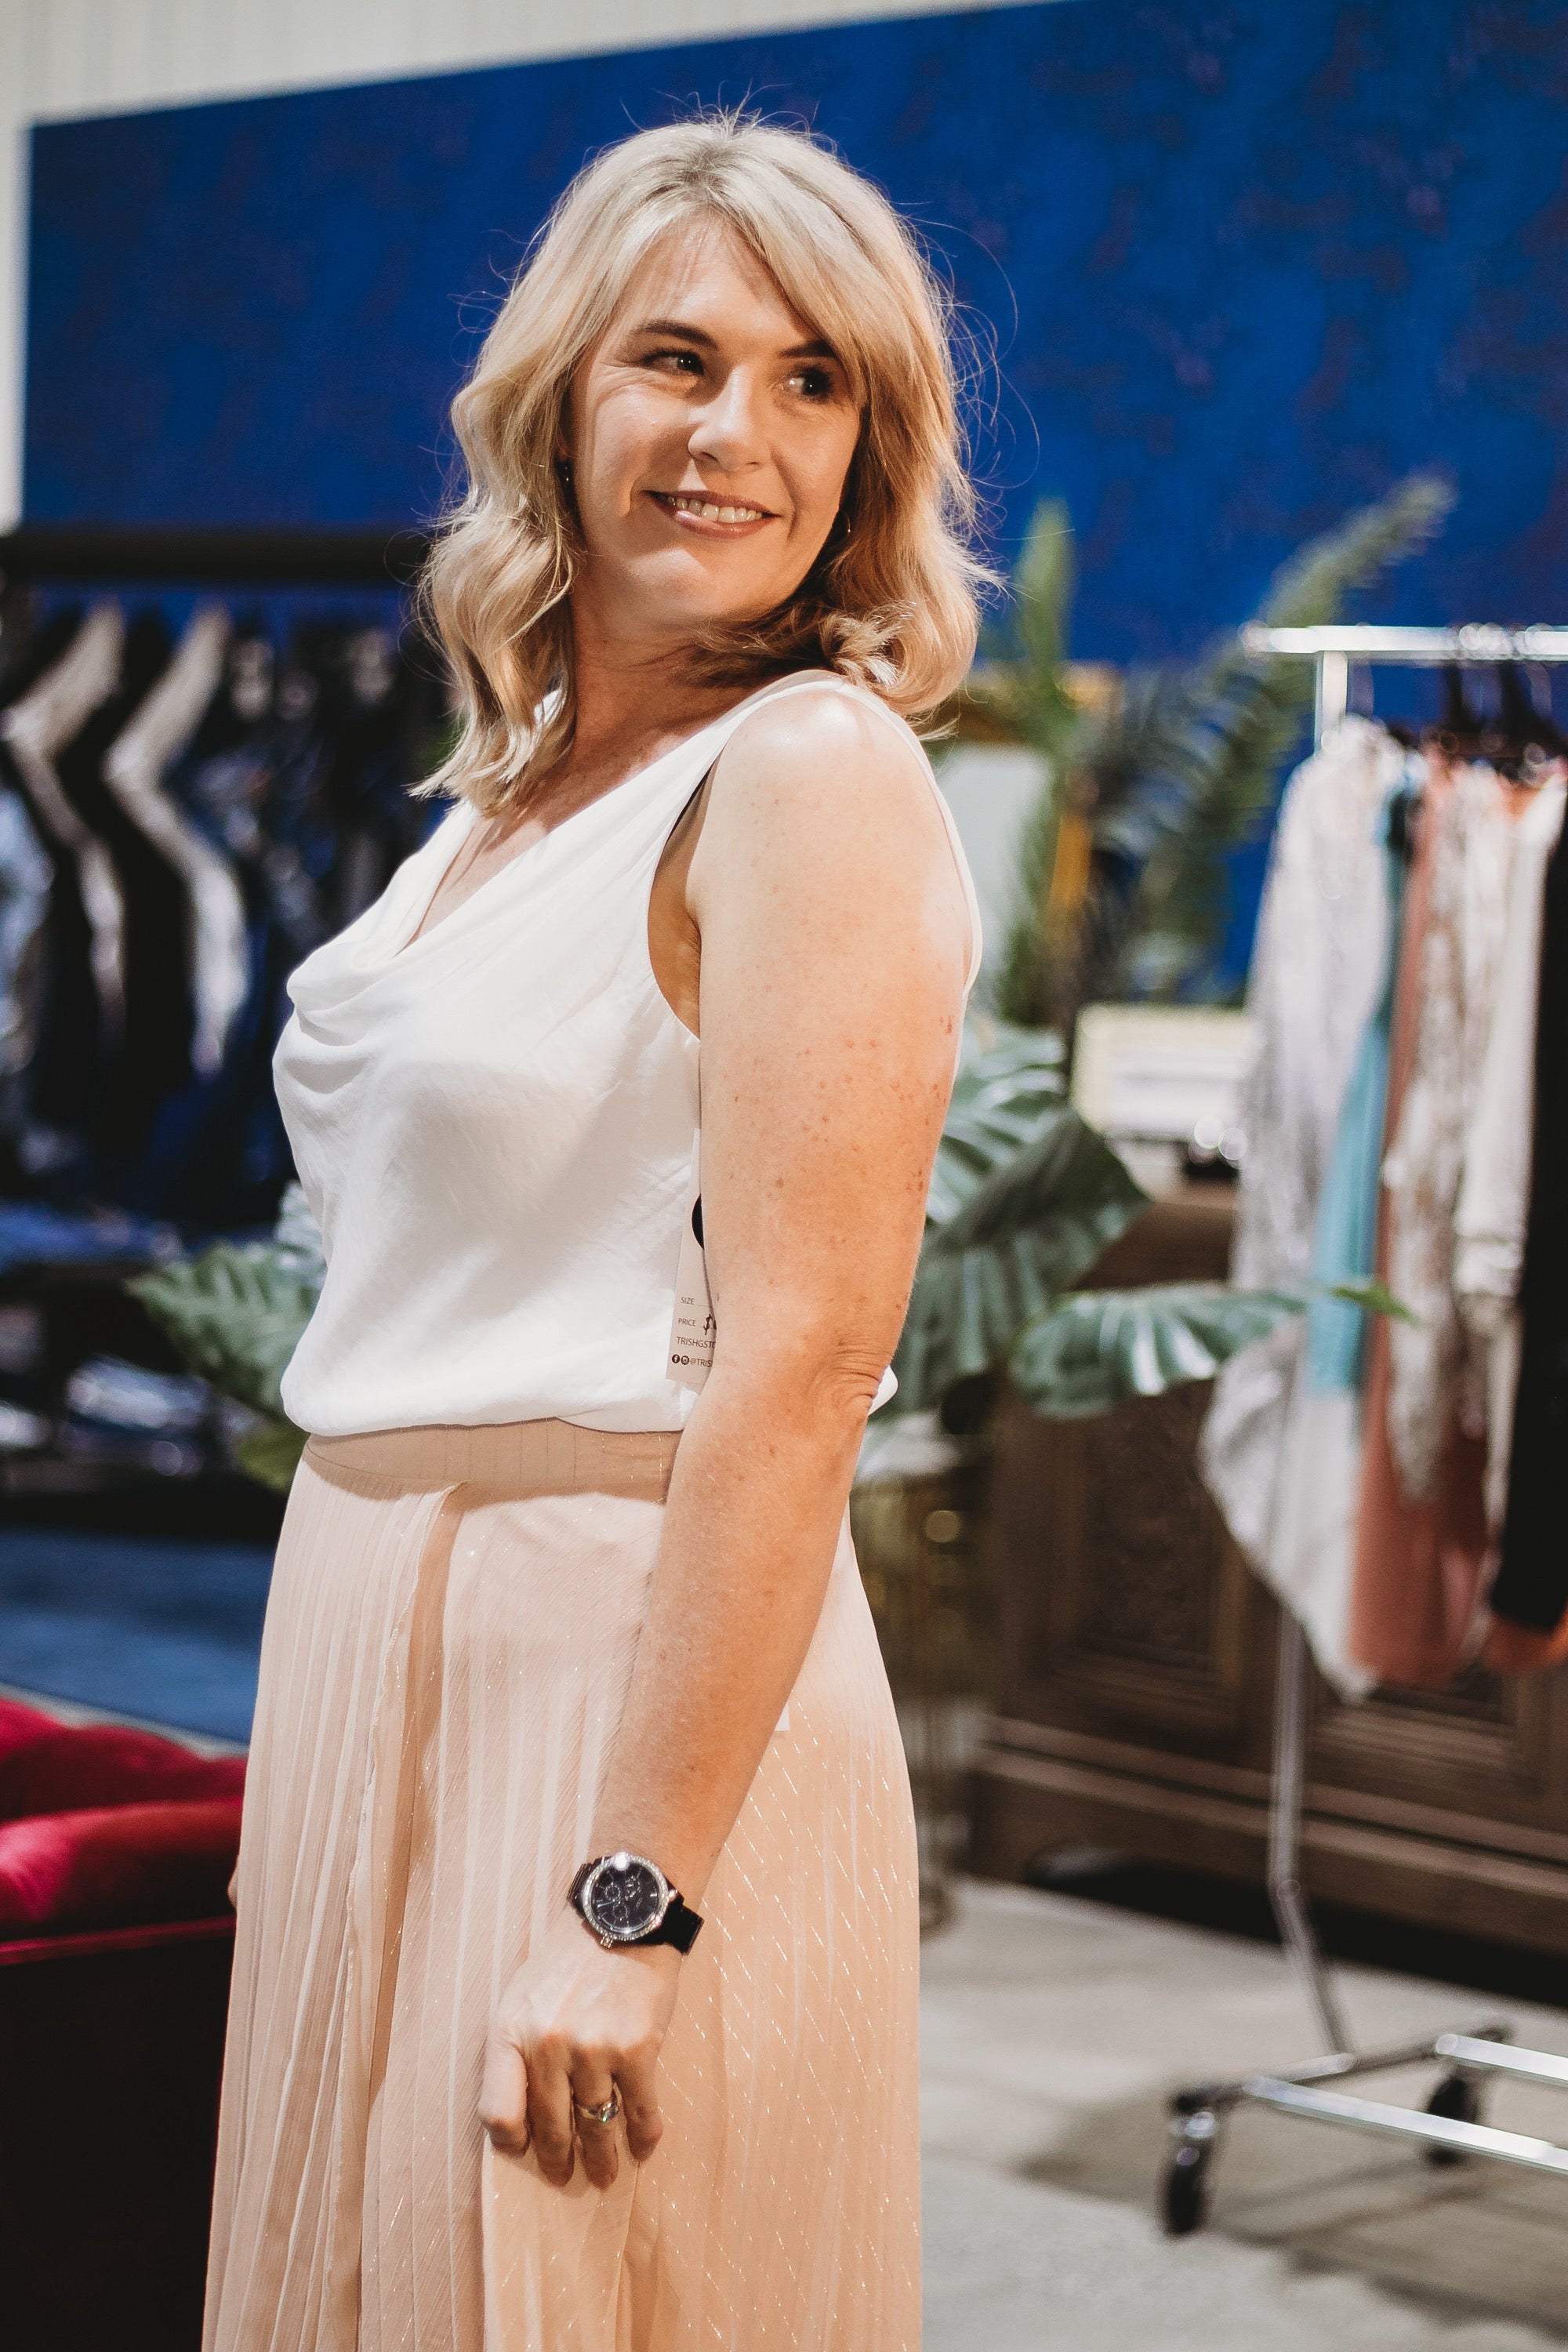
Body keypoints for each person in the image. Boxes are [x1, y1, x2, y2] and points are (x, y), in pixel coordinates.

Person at [203, 112, 986, 2352]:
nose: (738, 432)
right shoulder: (513, 783)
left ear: (866, 451)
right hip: (376, 1635)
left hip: (613, 1669)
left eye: (813, 380)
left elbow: (804, 1368)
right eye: (677, 358)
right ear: (560, 396)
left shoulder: (811, 775)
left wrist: (631, 1904)